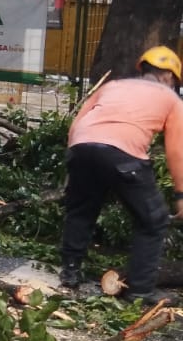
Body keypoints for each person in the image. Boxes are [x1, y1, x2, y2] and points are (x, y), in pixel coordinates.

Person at [59, 47, 183, 305]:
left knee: (82, 210)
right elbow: (177, 151)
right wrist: (181, 194)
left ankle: (70, 273)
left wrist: (73, 167)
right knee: (153, 221)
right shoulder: (172, 99)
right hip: (124, 156)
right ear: (169, 77)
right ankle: (141, 290)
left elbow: (77, 123)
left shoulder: (112, 86)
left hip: (82, 147)